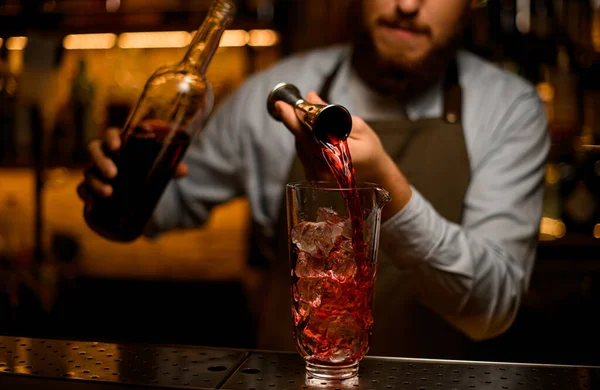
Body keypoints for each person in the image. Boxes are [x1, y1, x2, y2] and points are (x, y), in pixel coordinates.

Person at [79, 0, 549, 360]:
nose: (408, 5)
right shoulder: (280, 89)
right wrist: (118, 185)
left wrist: (387, 187)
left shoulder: (508, 108)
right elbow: (170, 204)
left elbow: (492, 309)